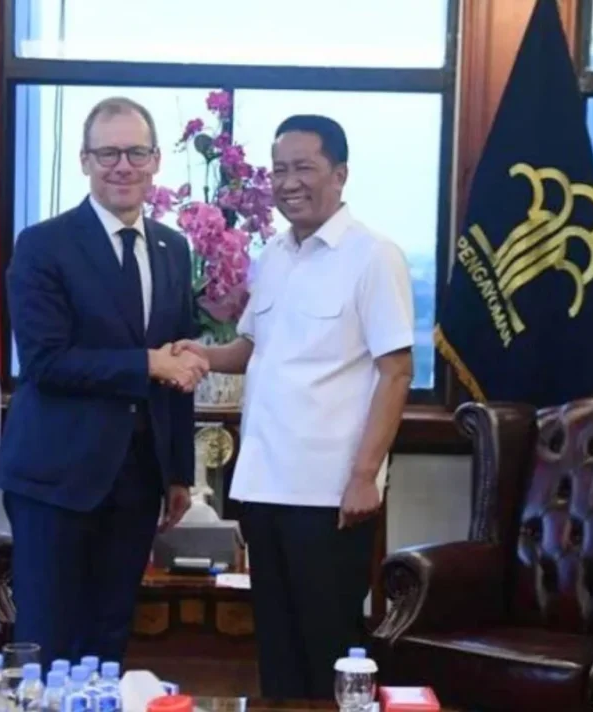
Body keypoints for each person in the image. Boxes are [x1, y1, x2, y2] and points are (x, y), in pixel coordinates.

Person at [175, 115, 415, 699]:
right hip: (263, 486)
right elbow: (252, 349)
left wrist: (364, 476)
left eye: (304, 167)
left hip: (329, 494)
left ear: (340, 173)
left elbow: (397, 372)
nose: (288, 182)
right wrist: (196, 354)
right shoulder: (275, 254)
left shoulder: (374, 255)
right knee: (276, 649)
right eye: (279, 169)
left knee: (328, 647)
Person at [0, 96, 207, 666]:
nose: (123, 166)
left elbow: (180, 362)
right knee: (48, 640)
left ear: (156, 160)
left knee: (109, 640)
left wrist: (178, 472)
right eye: (108, 153)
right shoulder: (43, 244)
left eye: (136, 152)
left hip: (138, 478)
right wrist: (146, 364)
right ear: (85, 160)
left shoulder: (172, 247)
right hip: (55, 478)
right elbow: (46, 362)